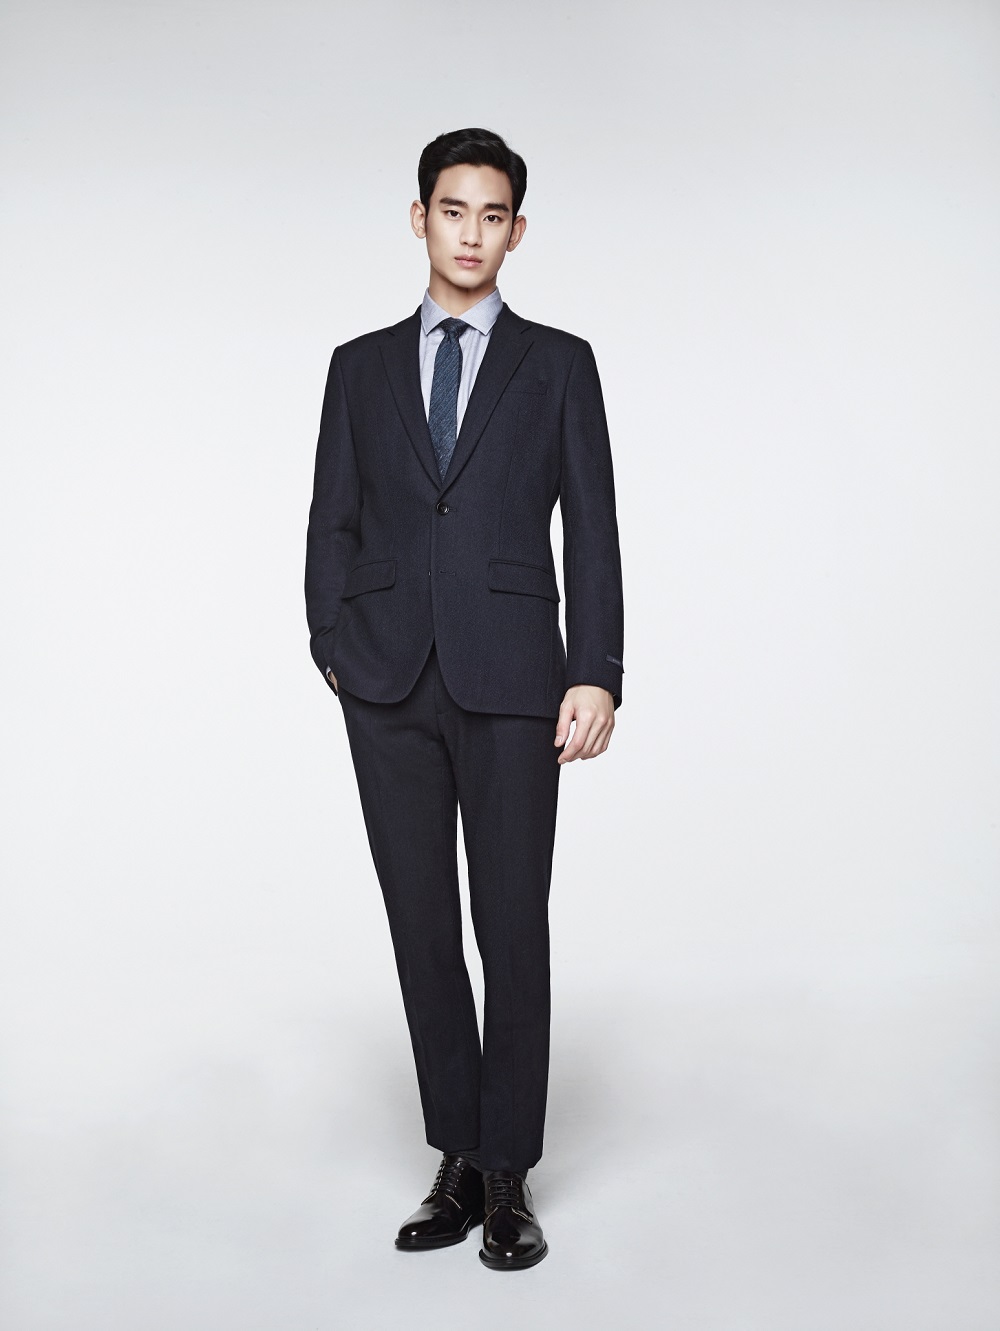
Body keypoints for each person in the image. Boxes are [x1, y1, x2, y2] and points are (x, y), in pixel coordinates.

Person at [304, 127, 624, 1270]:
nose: (471, 233)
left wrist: (594, 669)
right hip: (385, 680)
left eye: (493, 215)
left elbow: (592, 526)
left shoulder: (559, 364)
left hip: (513, 679)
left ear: (516, 231)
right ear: (419, 218)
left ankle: (506, 1172)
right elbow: (332, 517)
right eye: (453, 210)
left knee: (510, 925)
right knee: (422, 927)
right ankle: (453, 1150)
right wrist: (331, 641)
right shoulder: (358, 366)